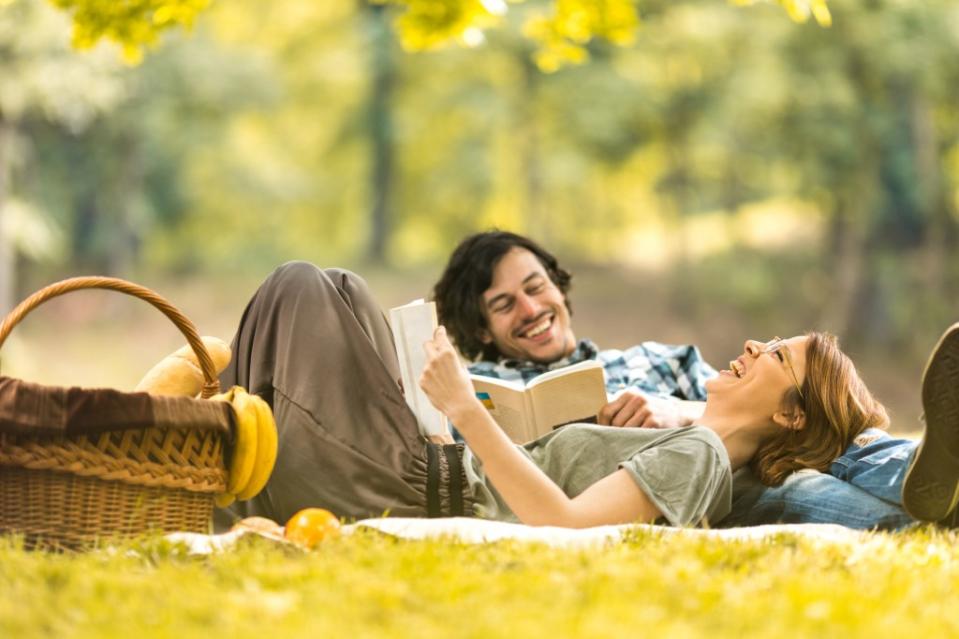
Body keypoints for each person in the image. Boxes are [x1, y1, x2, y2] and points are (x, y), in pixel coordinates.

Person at [213, 243, 957, 530]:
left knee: (301, 286)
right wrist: (455, 409)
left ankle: (922, 482)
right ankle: (930, 497)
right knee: (334, 289)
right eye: (502, 305)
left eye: (776, 356)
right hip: (421, 459)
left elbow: (567, 528)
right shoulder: (696, 444)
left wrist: (465, 411)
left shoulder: (696, 449)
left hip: (416, 480)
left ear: (790, 414)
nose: (753, 344)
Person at [430, 230, 959, 529]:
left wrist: (676, 411)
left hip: (733, 451)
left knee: (835, 436)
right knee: (795, 485)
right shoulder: (472, 384)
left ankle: (928, 467)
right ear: (482, 328)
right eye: (504, 305)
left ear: (559, 288)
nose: (530, 308)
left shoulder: (660, 360)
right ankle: (923, 522)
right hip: (695, 484)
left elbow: (746, 410)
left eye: (535, 286)